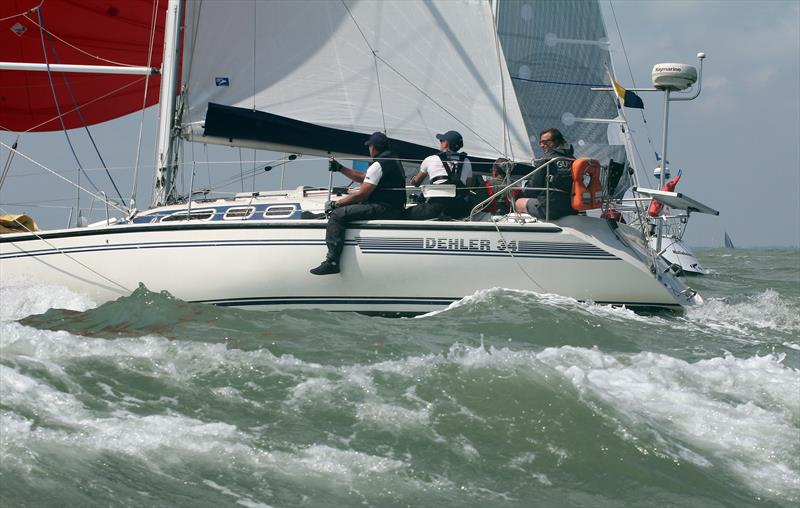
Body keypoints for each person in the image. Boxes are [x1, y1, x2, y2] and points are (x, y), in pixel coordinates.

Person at [310, 132, 406, 275]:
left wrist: (336, 204)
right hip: (394, 207)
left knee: (337, 215)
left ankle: (332, 262)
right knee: (344, 208)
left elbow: (362, 194)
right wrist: (340, 168)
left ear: (373, 147)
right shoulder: (391, 160)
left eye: (369, 147)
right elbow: (365, 178)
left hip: (384, 208)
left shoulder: (379, 164)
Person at [406, 130, 473, 220]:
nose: (440, 143)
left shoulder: (430, 159)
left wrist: (413, 180)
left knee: (406, 213)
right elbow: (468, 188)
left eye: (441, 141)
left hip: (436, 208)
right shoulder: (467, 161)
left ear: (446, 144)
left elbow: (416, 183)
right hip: (458, 209)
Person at [514, 128, 577, 221]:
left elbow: (534, 187)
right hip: (571, 208)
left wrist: (521, 190)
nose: (542, 145)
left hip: (550, 210)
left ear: (556, 141)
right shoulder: (573, 159)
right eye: (540, 142)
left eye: (545, 142)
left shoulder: (547, 160)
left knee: (518, 203)